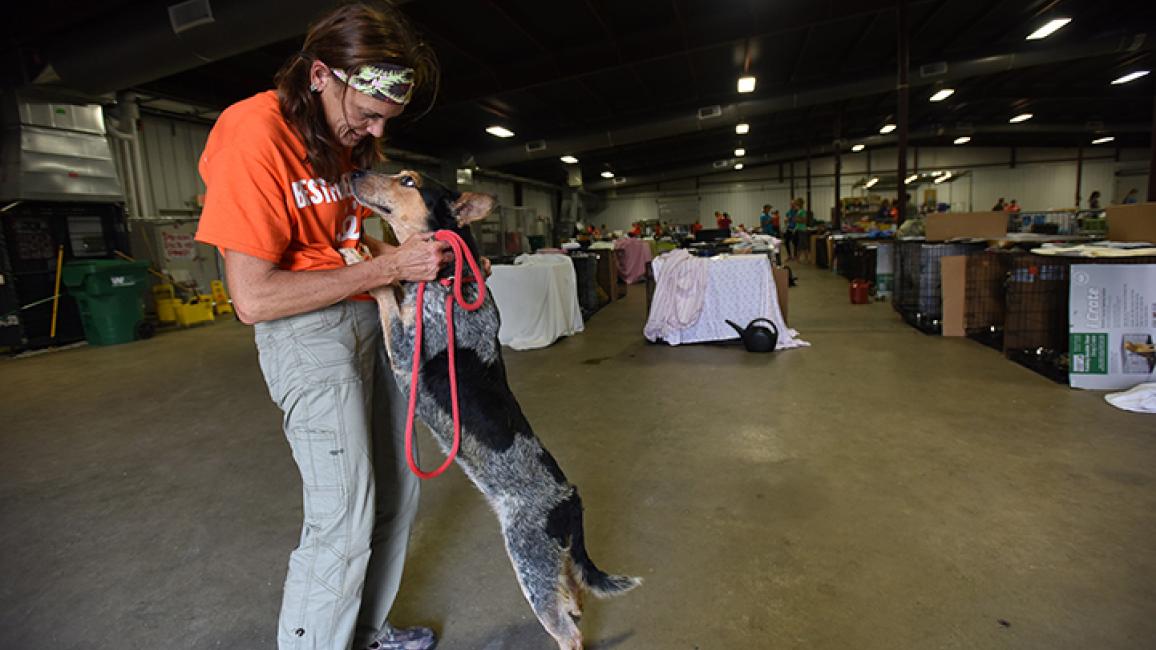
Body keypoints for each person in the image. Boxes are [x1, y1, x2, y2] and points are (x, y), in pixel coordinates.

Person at [194, 4, 449, 649]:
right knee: (342, 515)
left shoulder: (345, 139)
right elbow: (253, 297)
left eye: (384, 121)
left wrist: (415, 259)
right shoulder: (253, 133)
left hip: (369, 310)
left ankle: (365, 630)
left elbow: (342, 237)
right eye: (366, 113)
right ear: (319, 76)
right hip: (305, 329)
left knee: (397, 493)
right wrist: (386, 267)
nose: (371, 132)